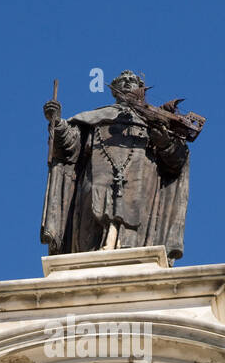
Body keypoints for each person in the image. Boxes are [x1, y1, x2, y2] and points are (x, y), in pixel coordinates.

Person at [40, 70, 192, 262]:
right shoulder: (95, 118)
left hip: (141, 186)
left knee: (135, 241)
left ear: (142, 90)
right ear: (114, 90)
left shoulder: (156, 122)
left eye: (133, 81)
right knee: (89, 236)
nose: (128, 84)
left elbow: (177, 162)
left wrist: (164, 143)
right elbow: (70, 146)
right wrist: (57, 122)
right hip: (95, 182)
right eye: (122, 81)